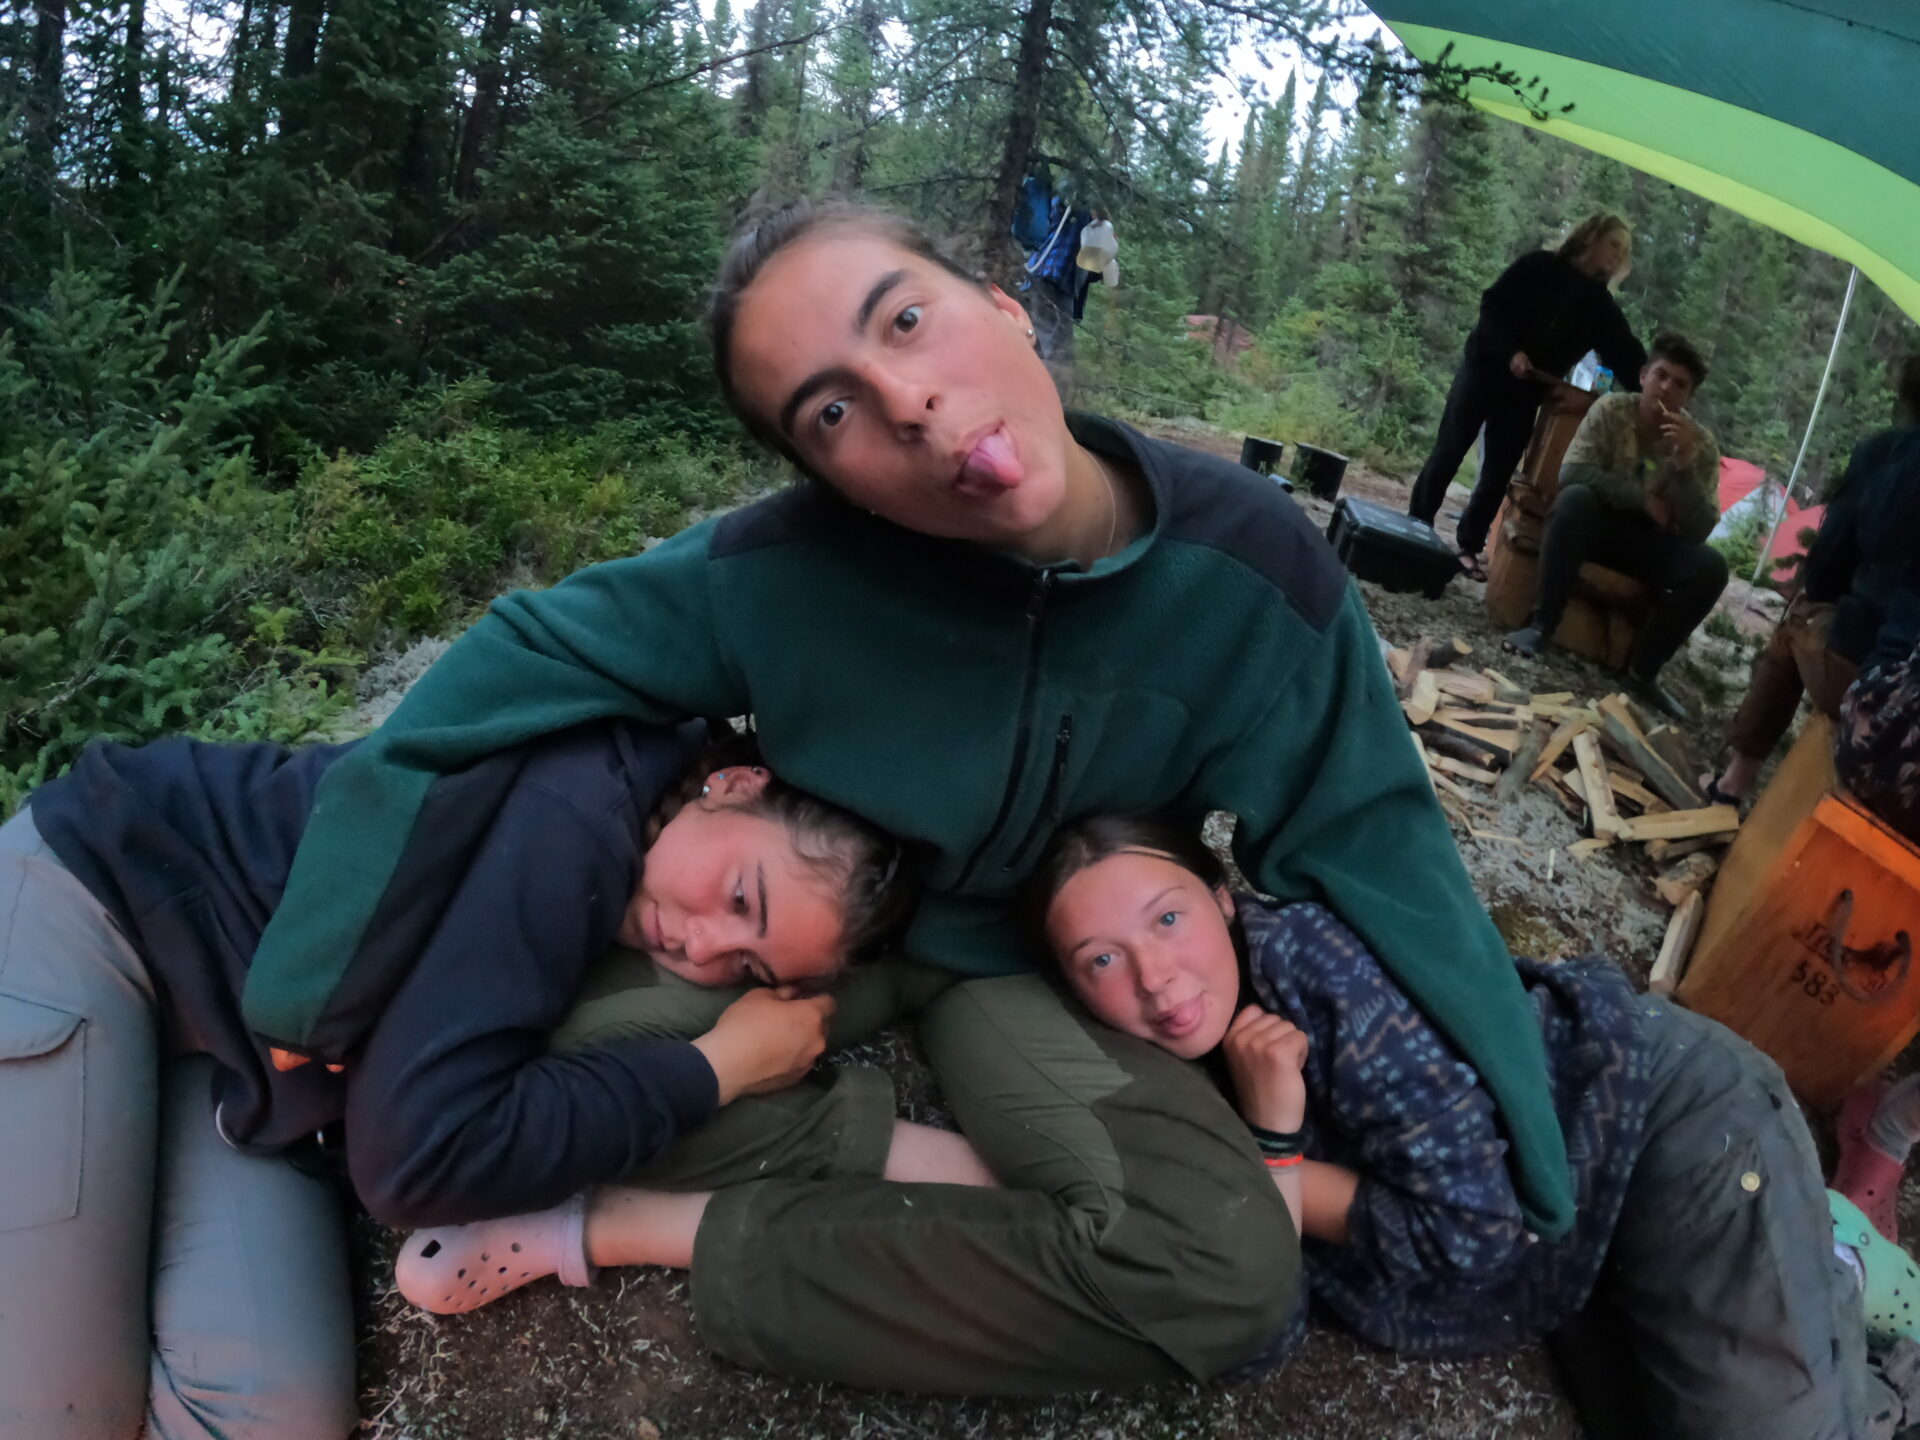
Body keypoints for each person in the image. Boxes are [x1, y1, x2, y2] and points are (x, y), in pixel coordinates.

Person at [235, 198, 1576, 1394]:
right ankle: (852, 1146)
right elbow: (526, 649)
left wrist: (1525, 1130)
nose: (910, 405)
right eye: (832, 411)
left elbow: (1372, 831)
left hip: (1038, 978)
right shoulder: (790, 572)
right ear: (826, 479)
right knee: (482, 1095)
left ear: (1009, 307)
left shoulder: (1253, 571)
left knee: (1227, 1276)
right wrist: (311, 985)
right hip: (833, 935)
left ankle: (648, 1224)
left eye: (909, 320)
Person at [0, 718, 908, 1439]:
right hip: (92, 907)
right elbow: (417, 1161)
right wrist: (715, 1068)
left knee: (266, 1414)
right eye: (742, 897)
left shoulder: (627, 858)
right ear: (736, 783)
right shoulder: (577, 816)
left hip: (233, 1067)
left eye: (745, 966)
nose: (702, 944)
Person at [1026, 814, 1919, 1440]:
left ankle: (1812, 1259)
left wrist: (1276, 1151)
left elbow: (1474, 1231)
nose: (1154, 977)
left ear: (1222, 899)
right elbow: (1262, 1313)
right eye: (1102, 959)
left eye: (1169, 918)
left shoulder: (1315, 971)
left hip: (1662, 1121)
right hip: (1572, 1226)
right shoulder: (1162, 1060)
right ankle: (1814, 1285)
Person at [1708, 355, 1920, 803]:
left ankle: (1734, 782)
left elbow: (1829, 563)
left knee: (1799, 618)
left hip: (1880, 687)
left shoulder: (1889, 454)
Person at [1407, 212, 1646, 583]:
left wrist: (1654, 384)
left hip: (1526, 391)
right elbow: (1492, 307)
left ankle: (1468, 546)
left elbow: (1627, 357)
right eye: (1614, 244)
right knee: (1450, 449)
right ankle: (1416, 526)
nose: (1618, 256)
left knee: (1498, 471)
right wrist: (1510, 352)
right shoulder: (1539, 266)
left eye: (1624, 252)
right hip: (1484, 369)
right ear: (1591, 238)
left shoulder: (1600, 307)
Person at [1503, 333, 1729, 720]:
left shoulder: (1700, 445)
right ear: (1643, 376)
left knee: (1711, 568)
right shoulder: (1612, 410)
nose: (1667, 388)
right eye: (1661, 375)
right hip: (1598, 525)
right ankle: (1542, 626)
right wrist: (1639, 499)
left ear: (1689, 397)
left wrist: (1684, 469)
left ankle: (1643, 672)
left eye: (1680, 384)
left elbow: (1698, 530)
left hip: (1653, 544)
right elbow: (1572, 472)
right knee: (1574, 500)